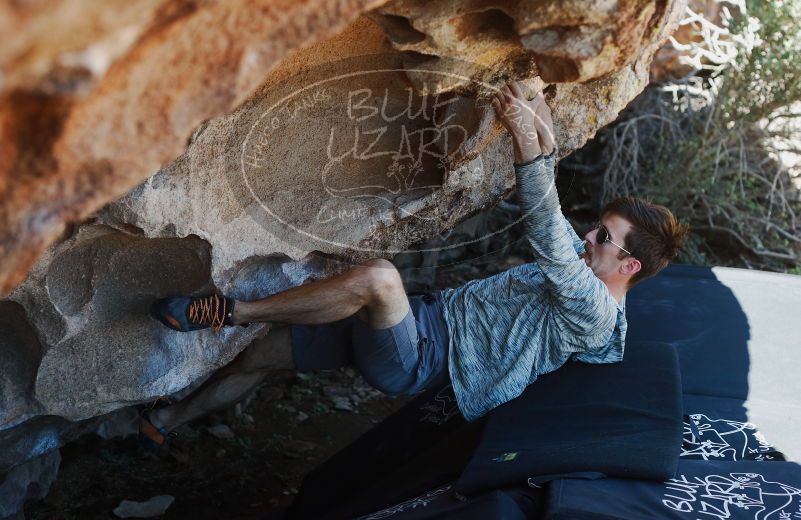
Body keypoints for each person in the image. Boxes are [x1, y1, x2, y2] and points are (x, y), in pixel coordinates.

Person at [142, 78, 688, 447]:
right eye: (596, 230)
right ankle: (165, 421)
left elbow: (546, 225)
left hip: (423, 357)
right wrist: (535, 101)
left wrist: (521, 133)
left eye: (604, 237)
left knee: (379, 278)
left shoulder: (594, 311)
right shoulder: (588, 266)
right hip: (418, 322)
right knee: (261, 358)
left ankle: (228, 311)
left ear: (630, 265)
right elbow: (559, 207)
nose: (589, 237)